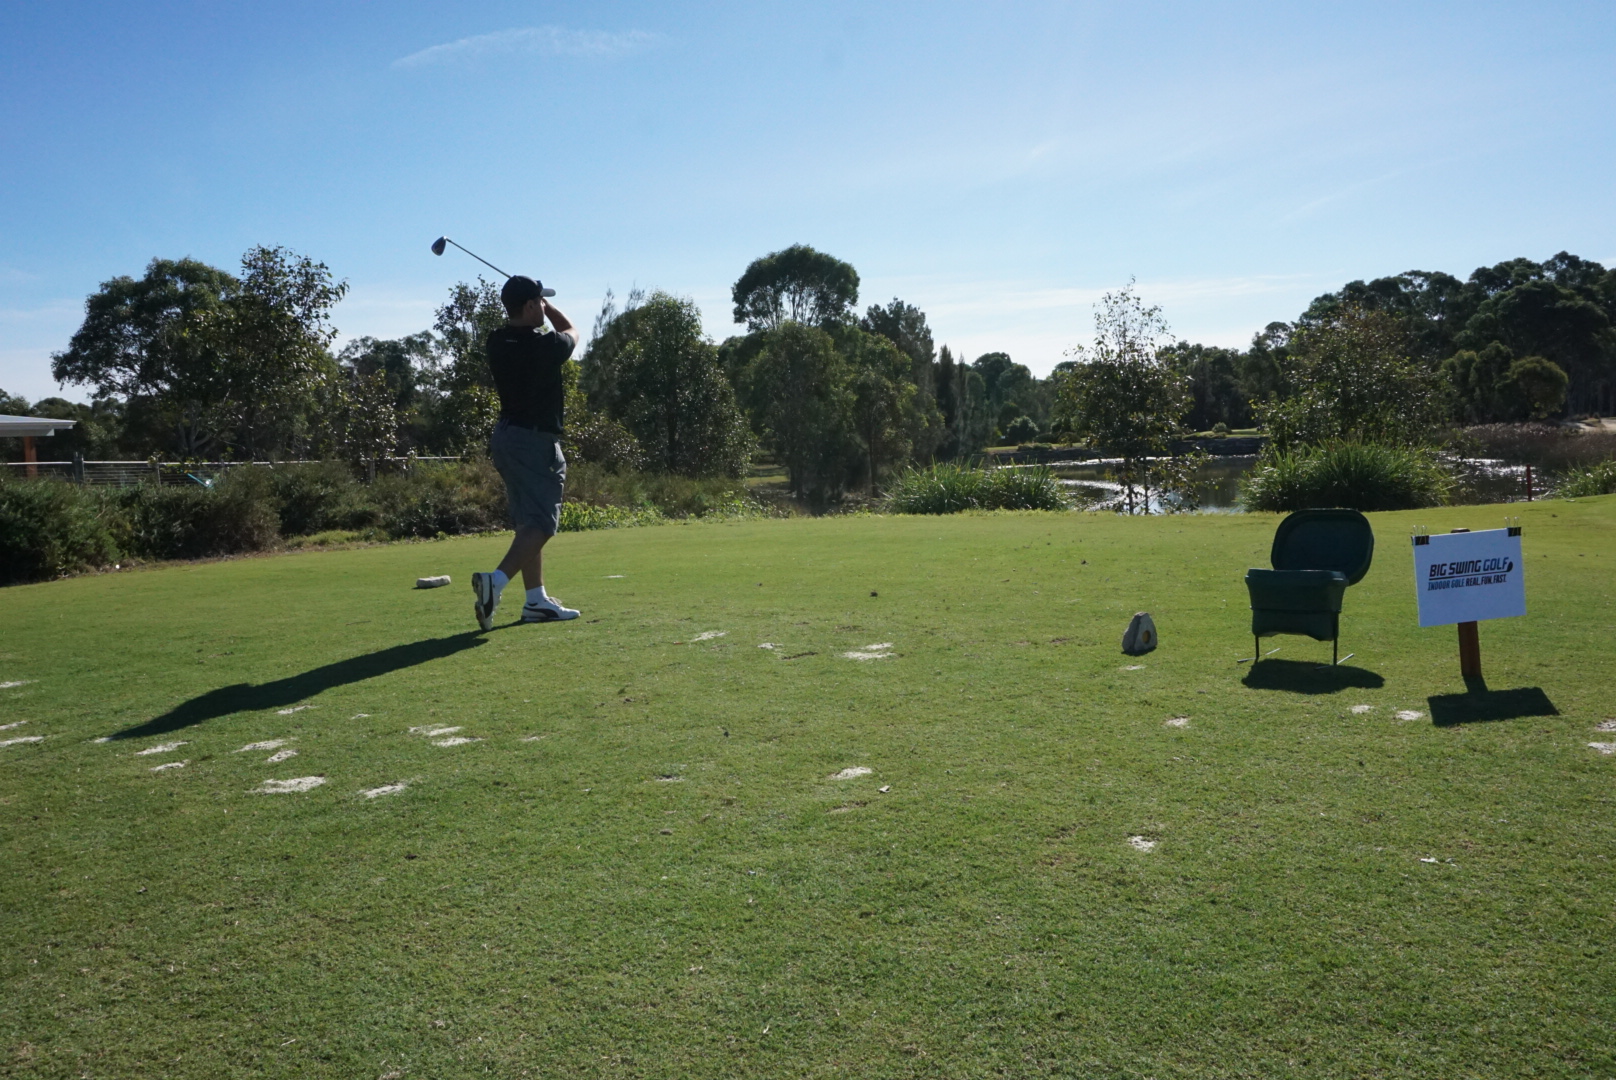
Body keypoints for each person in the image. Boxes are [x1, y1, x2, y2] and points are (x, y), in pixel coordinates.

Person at [470, 275, 581, 629]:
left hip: (506, 437)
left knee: (527, 523)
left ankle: (535, 600)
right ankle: (496, 581)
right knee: (543, 524)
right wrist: (551, 308)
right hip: (535, 442)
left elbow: (537, 327)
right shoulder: (544, 345)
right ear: (532, 305)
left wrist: (538, 304)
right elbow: (572, 331)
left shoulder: (496, 340)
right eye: (538, 303)